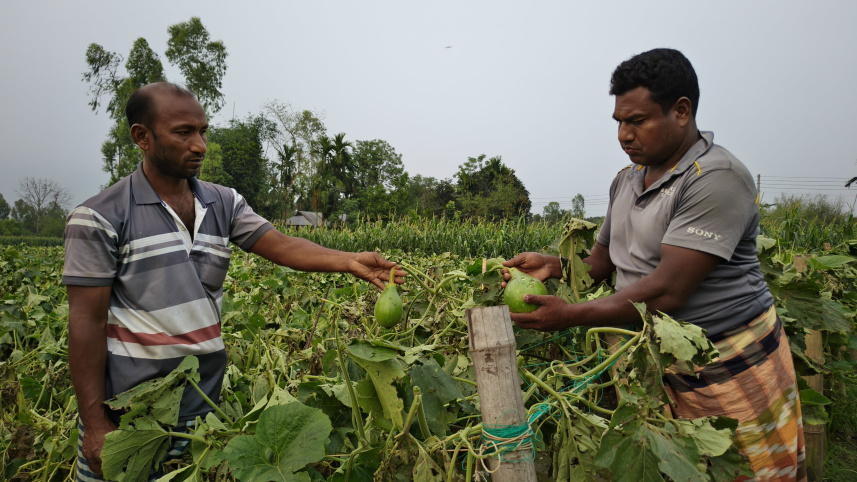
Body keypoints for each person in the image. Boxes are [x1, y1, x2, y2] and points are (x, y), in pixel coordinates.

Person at [63, 82, 405, 480]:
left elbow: (282, 244)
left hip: (203, 414)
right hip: (130, 419)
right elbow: (85, 323)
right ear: (142, 136)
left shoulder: (222, 202)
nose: (200, 145)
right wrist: (95, 424)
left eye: (203, 131)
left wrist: (349, 261)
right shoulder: (100, 217)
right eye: (183, 133)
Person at [503, 49, 806, 481]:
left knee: (745, 468)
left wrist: (570, 315)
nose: (624, 134)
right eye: (619, 123)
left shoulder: (715, 178)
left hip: (726, 356)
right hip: (650, 355)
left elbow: (668, 290)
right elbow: (604, 262)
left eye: (637, 121)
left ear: (681, 111)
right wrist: (553, 266)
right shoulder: (626, 179)